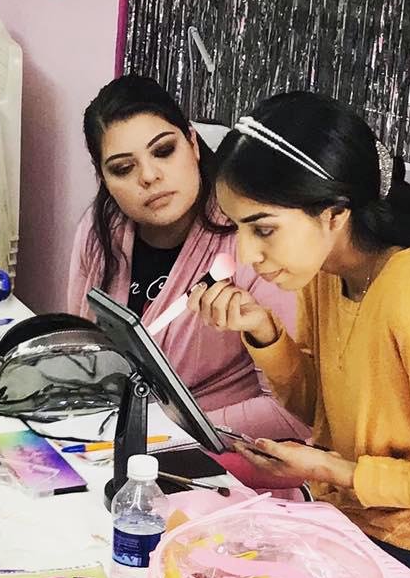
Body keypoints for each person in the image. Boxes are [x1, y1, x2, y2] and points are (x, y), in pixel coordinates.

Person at [193, 93, 410, 578]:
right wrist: (263, 332)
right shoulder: (325, 272)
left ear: (334, 214)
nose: (248, 256)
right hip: (354, 528)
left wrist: (339, 470)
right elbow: (321, 408)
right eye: (239, 230)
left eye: (263, 229)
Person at [66, 75, 298, 437]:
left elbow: (291, 416)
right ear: (103, 178)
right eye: (123, 168)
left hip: (225, 466)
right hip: (108, 441)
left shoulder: (253, 241)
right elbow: (81, 352)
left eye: (163, 151)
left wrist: (162, 431)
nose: (149, 176)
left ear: (192, 142)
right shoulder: (100, 232)